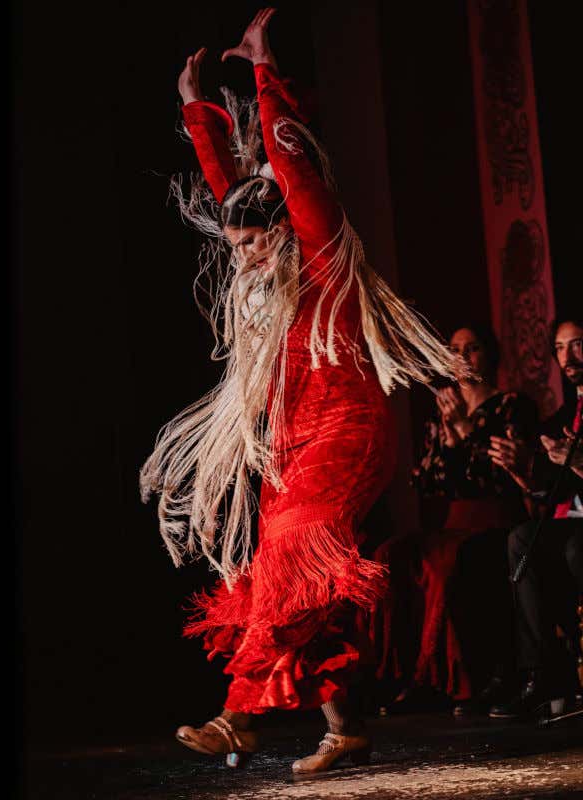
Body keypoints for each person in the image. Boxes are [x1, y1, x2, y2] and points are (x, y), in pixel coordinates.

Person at [140, 8, 464, 774]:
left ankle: (238, 719)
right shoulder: (260, 254)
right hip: (291, 432)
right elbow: (233, 191)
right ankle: (343, 725)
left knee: (290, 555)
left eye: (254, 240)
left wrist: (263, 72)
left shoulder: (319, 248)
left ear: (285, 229)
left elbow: (287, 177)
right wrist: (194, 106)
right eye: (237, 242)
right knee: (282, 579)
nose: (244, 254)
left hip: (348, 427)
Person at [370, 325, 538, 714]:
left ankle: (458, 681)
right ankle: (410, 677)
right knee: (392, 554)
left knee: (446, 565)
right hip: (452, 521)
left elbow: (498, 479)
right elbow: (428, 483)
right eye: (455, 349)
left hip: (496, 519)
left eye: (473, 348)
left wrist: (465, 431)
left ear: (490, 355)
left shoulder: (512, 406)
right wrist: (447, 441)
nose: (463, 358)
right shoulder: (443, 411)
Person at [488, 316, 583, 719]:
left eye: (577, 344)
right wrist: (522, 473)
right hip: (575, 519)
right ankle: (542, 674)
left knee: (577, 547)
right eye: (560, 348)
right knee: (522, 539)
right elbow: (550, 490)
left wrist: (579, 462)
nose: (568, 356)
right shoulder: (568, 415)